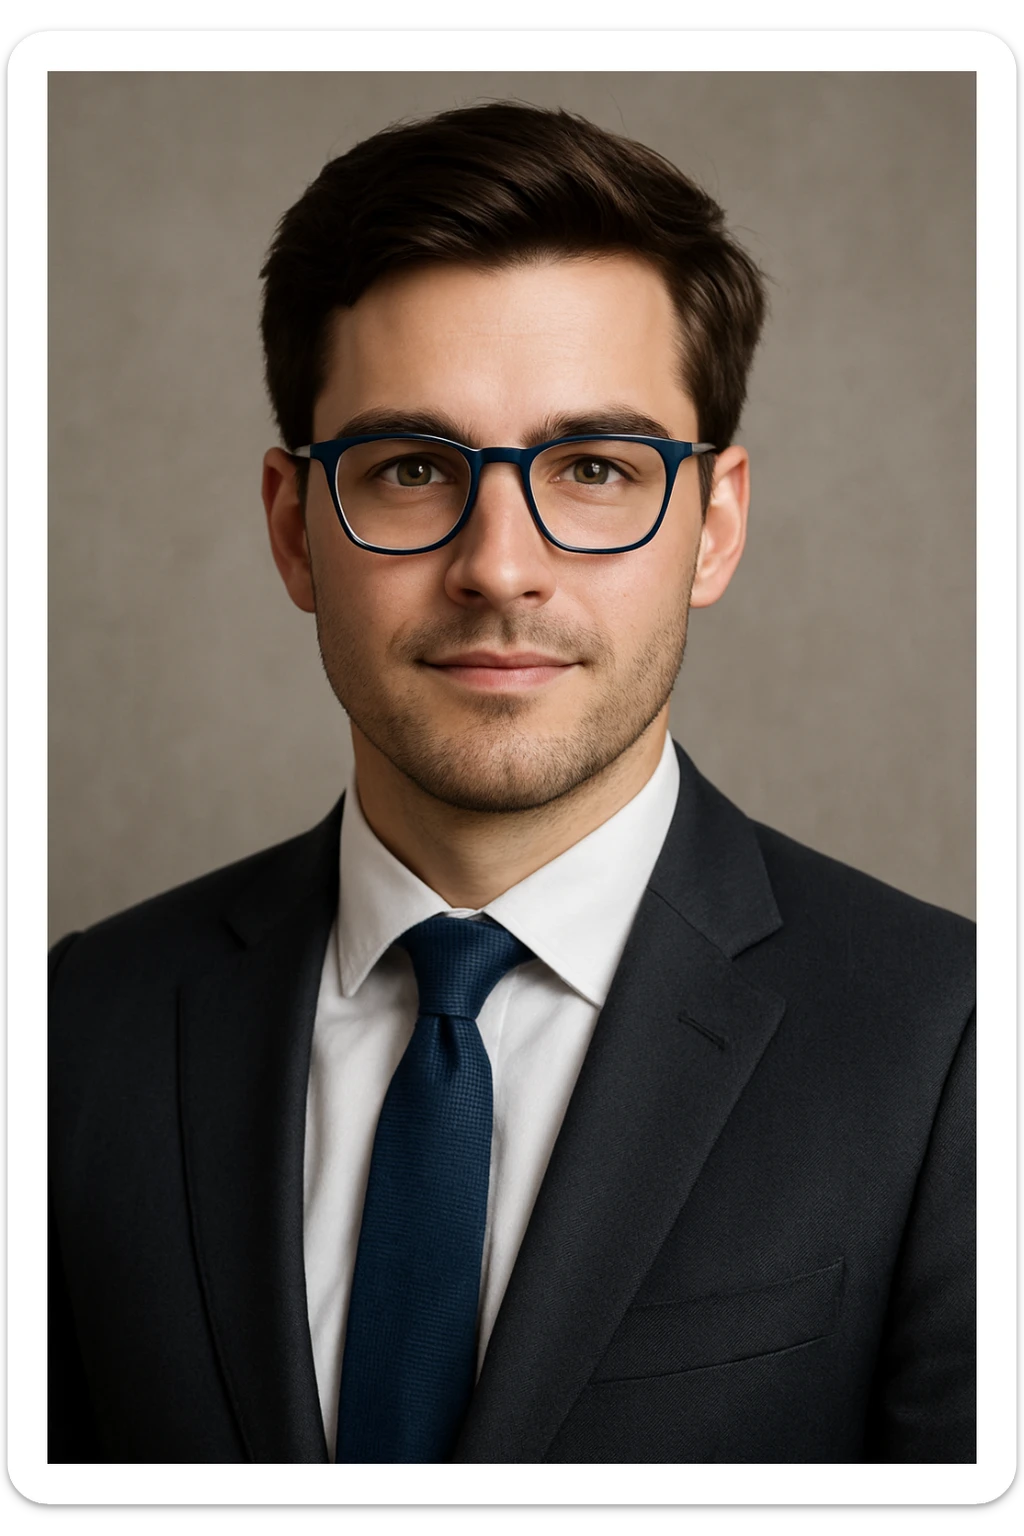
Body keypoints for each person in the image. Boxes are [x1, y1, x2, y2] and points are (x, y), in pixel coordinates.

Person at [48, 101, 975, 1465]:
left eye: (595, 468)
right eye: (413, 467)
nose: (498, 565)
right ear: (293, 531)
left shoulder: (956, 1049)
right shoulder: (71, 1034)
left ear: (713, 528)